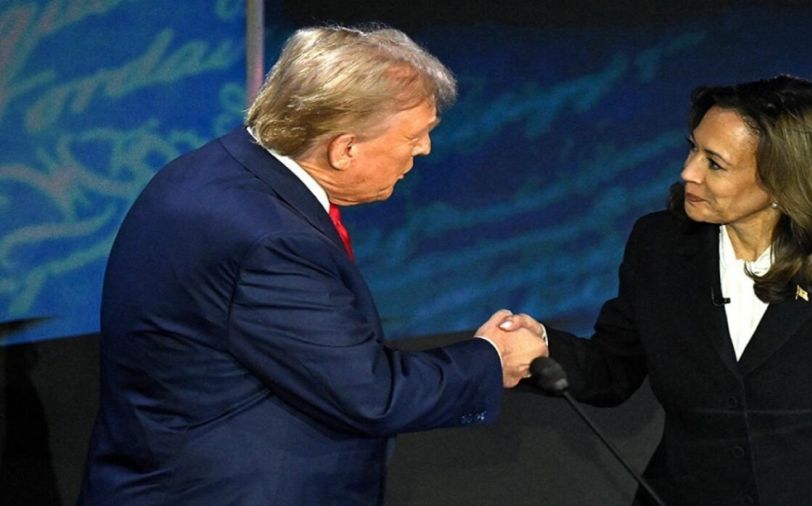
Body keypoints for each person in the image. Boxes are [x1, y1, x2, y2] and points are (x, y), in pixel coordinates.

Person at [78, 25, 547, 505]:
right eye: (415, 135)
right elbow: (371, 395)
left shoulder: (216, 170)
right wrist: (492, 359)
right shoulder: (271, 240)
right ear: (344, 149)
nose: (424, 149)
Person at [503, 75, 812, 504]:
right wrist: (542, 348)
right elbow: (613, 369)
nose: (688, 172)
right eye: (693, 148)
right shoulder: (660, 245)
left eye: (715, 163)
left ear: (785, 179)